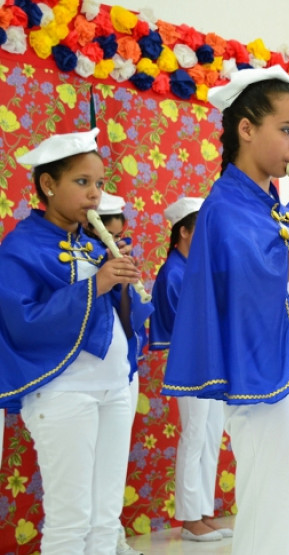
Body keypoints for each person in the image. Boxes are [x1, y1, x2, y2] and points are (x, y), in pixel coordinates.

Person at [161, 66, 289, 555]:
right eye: (286, 131)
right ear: (246, 129)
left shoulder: (277, 208)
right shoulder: (224, 207)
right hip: (264, 376)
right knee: (271, 511)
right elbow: (244, 293)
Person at [0, 128, 140, 553]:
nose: (95, 194)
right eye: (82, 182)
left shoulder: (93, 244)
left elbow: (119, 319)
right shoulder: (18, 247)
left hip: (116, 385)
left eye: (99, 183)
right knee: (70, 519)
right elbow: (23, 321)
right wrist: (95, 285)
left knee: (105, 517)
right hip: (64, 392)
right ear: (48, 185)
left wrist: (124, 286)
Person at [150, 197, 231, 542]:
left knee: (211, 436)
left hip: (211, 361)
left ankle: (202, 512)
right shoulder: (174, 272)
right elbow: (183, 324)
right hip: (190, 364)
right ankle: (188, 519)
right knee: (195, 436)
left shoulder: (197, 270)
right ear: (183, 232)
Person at [86, 191, 154, 555]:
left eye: (121, 225)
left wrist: (126, 281)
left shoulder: (119, 260)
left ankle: (111, 537)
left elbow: (132, 322)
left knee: (112, 462)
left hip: (124, 369)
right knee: (86, 466)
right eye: (111, 225)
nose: (118, 231)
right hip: (84, 379)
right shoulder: (79, 258)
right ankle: (90, 541)